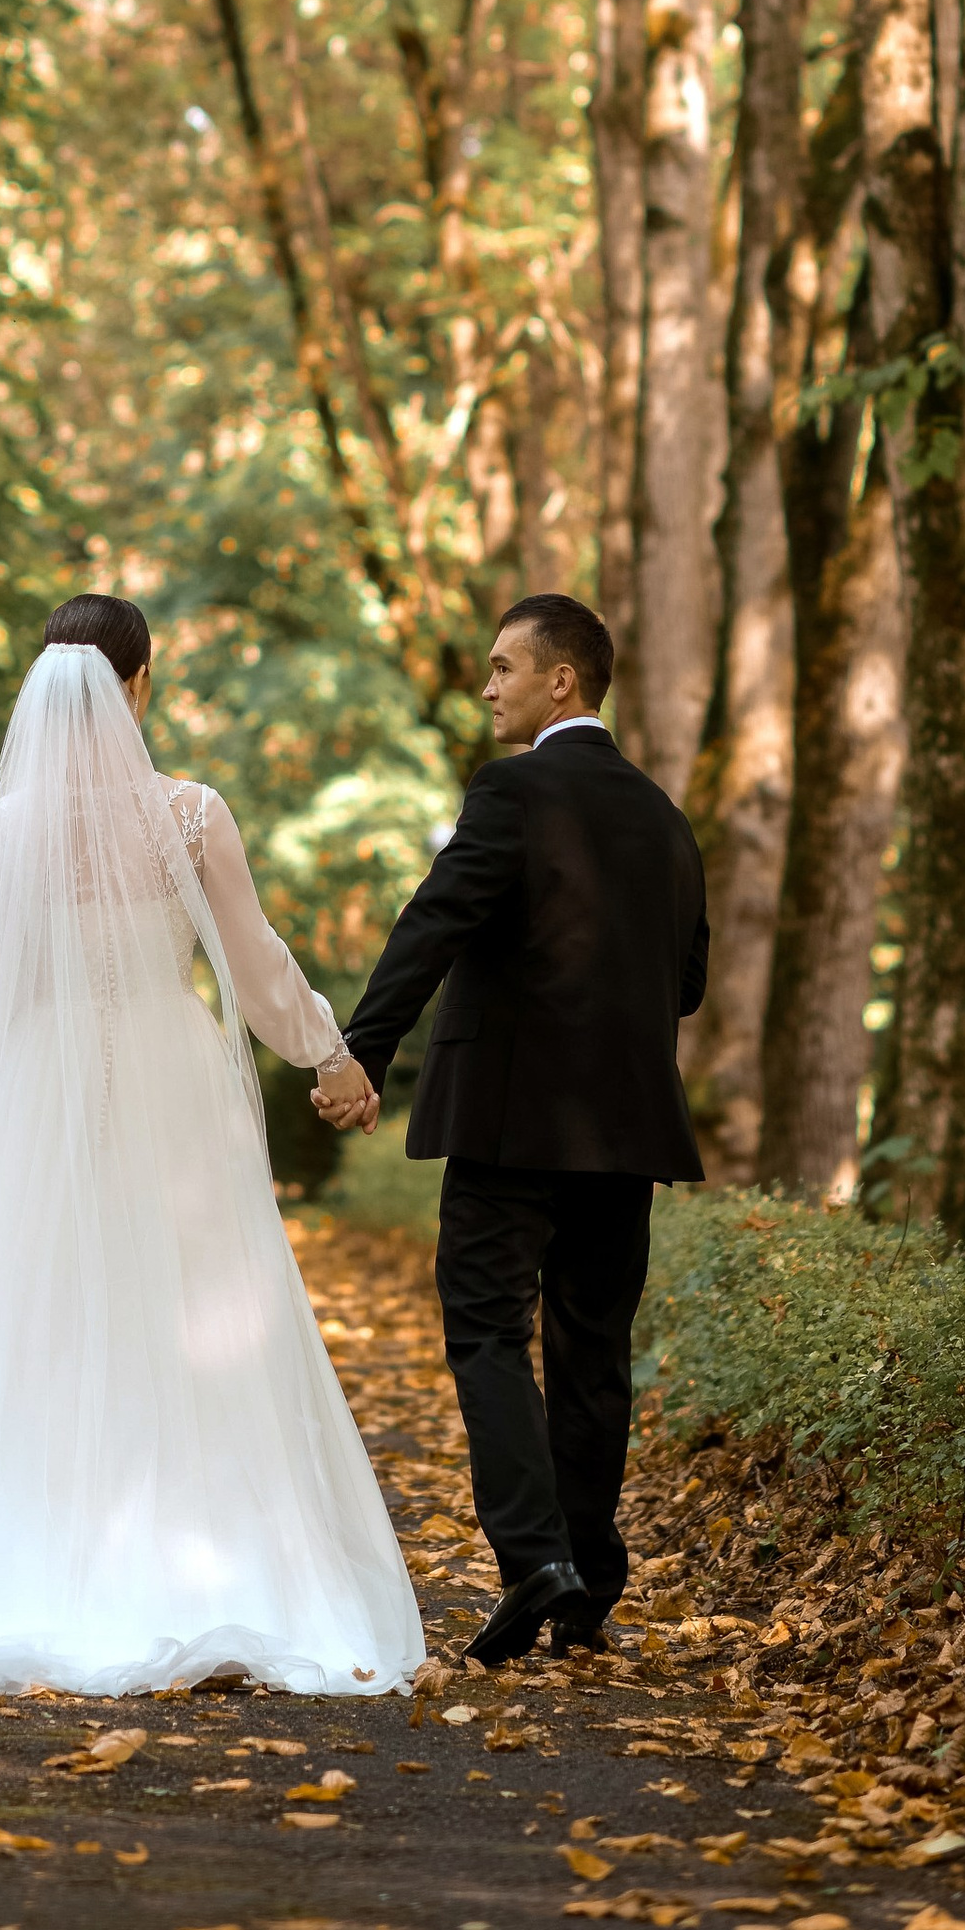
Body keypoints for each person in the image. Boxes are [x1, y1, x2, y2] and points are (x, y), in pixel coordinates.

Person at [0, 593, 425, 1697]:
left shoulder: (6, 829)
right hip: (168, 1078)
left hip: (43, 1080)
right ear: (138, 685)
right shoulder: (188, 812)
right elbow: (253, 961)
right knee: (186, 1305)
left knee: (45, 1317)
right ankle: (211, 1560)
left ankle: (27, 1560)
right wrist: (329, 1054)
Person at [319, 592, 707, 1666]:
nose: (486, 686)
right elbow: (685, 985)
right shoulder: (665, 819)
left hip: (503, 1121)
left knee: (486, 1330)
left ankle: (534, 1557)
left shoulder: (513, 789)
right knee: (592, 1352)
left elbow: (435, 918)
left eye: (502, 668)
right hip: (624, 1131)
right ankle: (587, 1586)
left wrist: (363, 1047)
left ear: (560, 682)